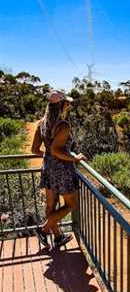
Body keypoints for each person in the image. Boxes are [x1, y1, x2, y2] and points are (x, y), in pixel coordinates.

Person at [30, 91, 87, 250]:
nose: (68, 105)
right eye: (67, 103)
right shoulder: (63, 125)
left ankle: (58, 237)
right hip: (62, 170)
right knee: (71, 205)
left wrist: (48, 156)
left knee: (50, 206)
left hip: (48, 168)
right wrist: (75, 159)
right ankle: (43, 229)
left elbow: (35, 149)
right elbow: (56, 150)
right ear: (61, 105)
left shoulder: (41, 123)